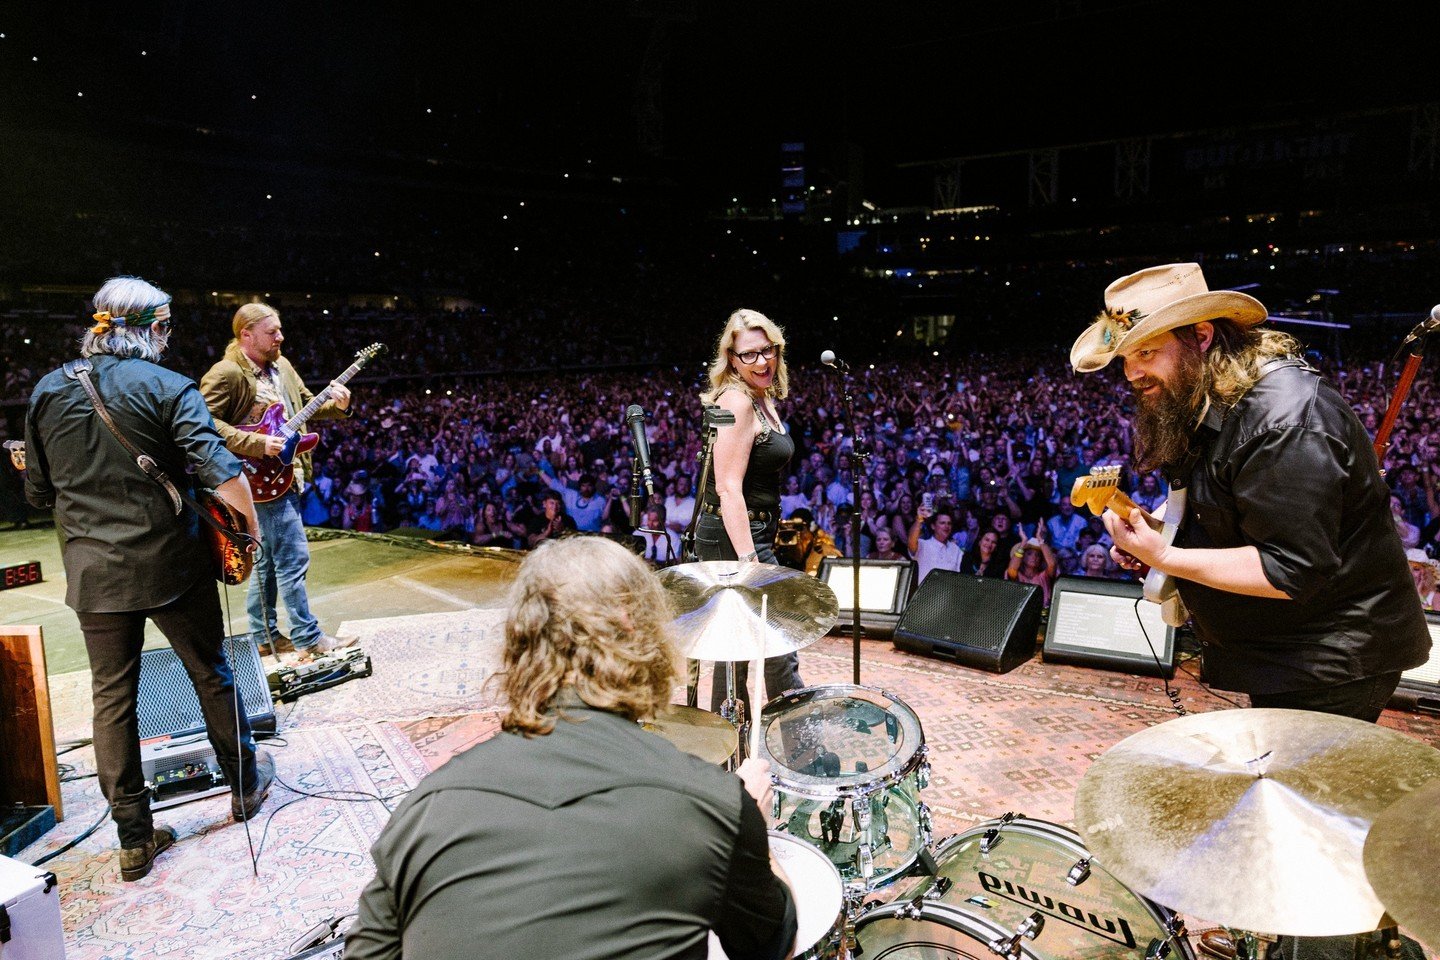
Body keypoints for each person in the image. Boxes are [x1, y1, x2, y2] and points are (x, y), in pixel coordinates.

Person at [345, 537, 797, 960]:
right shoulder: (713, 804)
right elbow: (772, 945)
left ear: (519, 646)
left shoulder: (425, 808)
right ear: (641, 636)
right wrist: (755, 828)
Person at [1070, 262, 1430, 722]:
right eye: (1124, 359)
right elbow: (1223, 503)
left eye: (1146, 353)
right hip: (1286, 650)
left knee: (1306, 790)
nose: (1131, 373)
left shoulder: (1284, 421)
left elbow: (1289, 569)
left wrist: (1166, 557)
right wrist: (1159, 532)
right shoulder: (1207, 392)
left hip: (1331, 661)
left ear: (1201, 336)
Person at [23, 276, 274, 881]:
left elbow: (37, 493)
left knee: (113, 699)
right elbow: (222, 471)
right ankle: (243, 785)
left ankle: (134, 839)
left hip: (94, 572)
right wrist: (249, 533)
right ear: (155, 329)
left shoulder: (46, 392)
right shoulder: (167, 385)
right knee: (210, 672)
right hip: (171, 561)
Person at [200, 303, 356, 663]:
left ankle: (264, 637)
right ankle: (308, 636)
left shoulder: (281, 365)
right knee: (292, 558)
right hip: (256, 478)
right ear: (246, 335)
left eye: (280, 330)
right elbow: (205, 424)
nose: (280, 337)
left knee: (268, 562)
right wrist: (257, 444)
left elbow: (303, 403)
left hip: (286, 474)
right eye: (272, 332)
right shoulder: (226, 373)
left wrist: (340, 406)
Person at [693, 308, 802, 715]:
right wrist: (748, 562)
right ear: (732, 360)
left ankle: (739, 750)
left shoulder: (762, 397)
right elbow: (726, 488)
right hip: (732, 534)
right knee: (775, 640)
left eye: (767, 350)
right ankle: (797, 737)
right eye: (749, 355)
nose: (762, 361)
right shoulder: (737, 402)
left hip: (750, 529)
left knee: (740, 648)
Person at [908, 504, 963, 583]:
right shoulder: (923, 545)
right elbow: (911, 540)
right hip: (925, 594)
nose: (946, 526)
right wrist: (919, 519)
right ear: (933, 526)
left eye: (949, 523)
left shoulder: (956, 549)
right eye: (942, 523)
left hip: (949, 593)